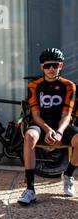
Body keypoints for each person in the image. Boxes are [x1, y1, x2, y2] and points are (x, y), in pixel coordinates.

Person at [18, 48, 78, 206]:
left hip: (61, 125)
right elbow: (36, 116)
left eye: (55, 65)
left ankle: (68, 175)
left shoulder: (69, 86)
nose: (51, 69)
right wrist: (48, 130)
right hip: (41, 124)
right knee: (29, 137)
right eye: (47, 65)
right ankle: (30, 189)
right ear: (42, 67)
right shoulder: (34, 86)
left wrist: (58, 132)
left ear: (61, 66)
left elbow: (67, 115)